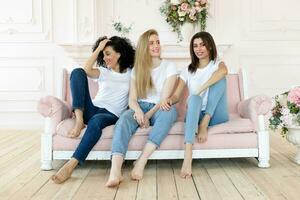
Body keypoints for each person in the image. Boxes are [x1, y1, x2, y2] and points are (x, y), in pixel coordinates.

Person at [51, 36, 135, 184]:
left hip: (110, 114)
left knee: (96, 121)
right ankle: (79, 120)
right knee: (77, 72)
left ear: (119, 54)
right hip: (93, 108)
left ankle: (71, 165)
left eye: (108, 53)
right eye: (103, 54)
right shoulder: (103, 71)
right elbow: (85, 70)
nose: (105, 57)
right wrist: (99, 49)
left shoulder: (131, 73)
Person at [105, 29, 178, 187]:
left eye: (157, 42)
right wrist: (138, 111)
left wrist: (148, 115)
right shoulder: (137, 69)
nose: (156, 46)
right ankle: (115, 170)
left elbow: (163, 99)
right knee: (124, 118)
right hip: (140, 106)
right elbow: (132, 99)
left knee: (170, 111)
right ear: (145, 46)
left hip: (159, 107)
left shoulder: (170, 66)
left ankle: (141, 161)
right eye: (151, 43)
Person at [160, 31, 229, 178]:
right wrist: (169, 100)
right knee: (195, 99)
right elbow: (177, 96)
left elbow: (224, 71)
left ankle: (204, 124)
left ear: (210, 46)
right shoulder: (187, 70)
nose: (199, 49)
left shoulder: (217, 64)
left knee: (220, 79)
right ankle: (187, 157)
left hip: (216, 114)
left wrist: (199, 89)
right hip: (195, 115)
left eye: (202, 45)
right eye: (195, 46)